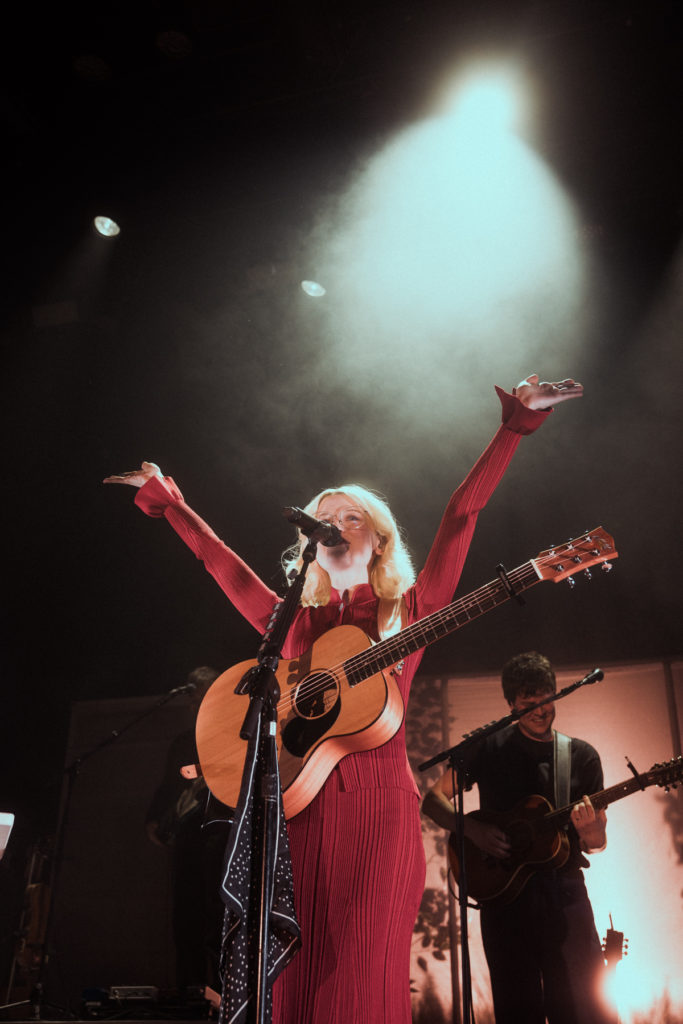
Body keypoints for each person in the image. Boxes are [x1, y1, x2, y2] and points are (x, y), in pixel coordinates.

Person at [103, 373, 582, 1024]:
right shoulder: (295, 627)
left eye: (348, 516)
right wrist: (172, 506)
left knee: (357, 978)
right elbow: (221, 565)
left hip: (378, 810)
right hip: (298, 810)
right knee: (293, 978)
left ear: (377, 537)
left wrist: (512, 428)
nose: (332, 525)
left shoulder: (408, 609)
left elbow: (460, 514)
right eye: (322, 519)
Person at [422, 651, 616, 1024]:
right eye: (529, 703)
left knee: (583, 1008)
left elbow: (596, 844)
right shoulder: (487, 747)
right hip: (503, 898)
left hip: (564, 896)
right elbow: (433, 801)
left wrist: (593, 831)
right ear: (510, 703)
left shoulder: (580, 756)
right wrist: (472, 828)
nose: (541, 710)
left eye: (548, 699)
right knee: (517, 1007)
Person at [145, 666, 226, 1006]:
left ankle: (224, 995)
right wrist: (153, 819)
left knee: (216, 914)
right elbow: (170, 783)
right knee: (186, 918)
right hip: (187, 831)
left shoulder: (231, 730)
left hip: (219, 828)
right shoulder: (183, 739)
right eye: (193, 694)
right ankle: (188, 996)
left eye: (201, 691)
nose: (195, 700)